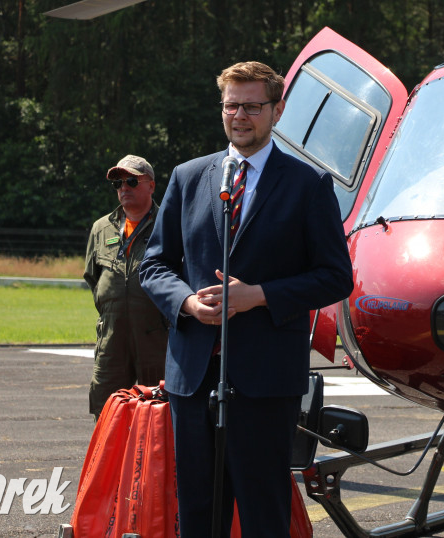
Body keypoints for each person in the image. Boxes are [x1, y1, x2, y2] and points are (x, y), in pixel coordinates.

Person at [139, 61, 353, 535]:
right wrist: (189, 304)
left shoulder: (308, 184)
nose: (240, 115)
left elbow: (336, 277)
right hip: (193, 377)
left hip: (265, 380)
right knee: (197, 511)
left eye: (252, 106)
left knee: (262, 510)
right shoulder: (189, 176)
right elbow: (153, 265)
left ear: (277, 110)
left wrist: (258, 296)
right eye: (231, 105)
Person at [84, 155, 166, 417]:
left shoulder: (169, 225)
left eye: (131, 181)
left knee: (158, 411)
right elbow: (93, 278)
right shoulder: (101, 229)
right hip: (112, 338)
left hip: (156, 340)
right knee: (108, 410)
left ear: (151, 185)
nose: (124, 188)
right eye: (118, 184)